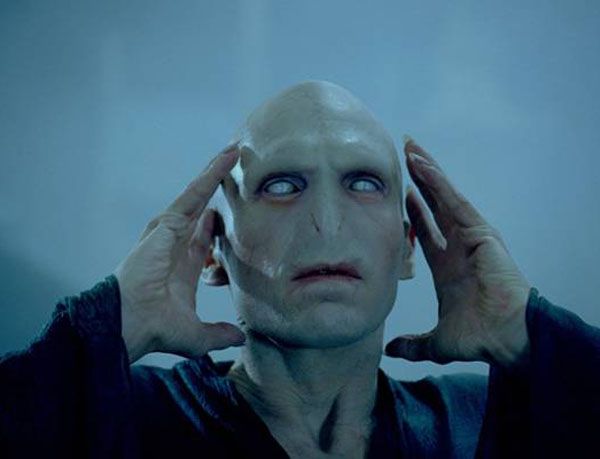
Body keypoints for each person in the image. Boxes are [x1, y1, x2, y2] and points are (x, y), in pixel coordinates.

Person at [1, 80, 599, 458]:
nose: (327, 224)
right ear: (214, 253)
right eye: (283, 186)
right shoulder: (115, 418)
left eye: (363, 183)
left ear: (407, 247)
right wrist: (103, 329)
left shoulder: (478, 422)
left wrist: (532, 333)